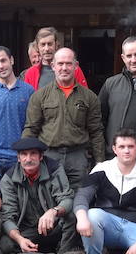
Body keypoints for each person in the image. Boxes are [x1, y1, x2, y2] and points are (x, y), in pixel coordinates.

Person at [22, 47, 104, 190]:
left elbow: (96, 132)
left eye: (68, 63)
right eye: (60, 64)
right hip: (49, 155)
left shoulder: (90, 97)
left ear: (76, 66)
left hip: (78, 157)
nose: (64, 68)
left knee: (78, 200)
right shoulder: (40, 96)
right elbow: (31, 129)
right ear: (53, 66)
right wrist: (26, 158)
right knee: (49, 198)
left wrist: (100, 162)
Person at [0, 136, 75, 254]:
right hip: (27, 230)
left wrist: (53, 211)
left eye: (33, 154)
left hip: (53, 225)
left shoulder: (54, 169)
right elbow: (8, 217)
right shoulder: (9, 179)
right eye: (24, 154)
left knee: (72, 216)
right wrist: (20, 239)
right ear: (18, 158)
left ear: (41, 156)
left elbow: (67, 199)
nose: (28, 159)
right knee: (5, 245)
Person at [98, 35, 136, 158]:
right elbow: (99, 120)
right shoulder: (110, 84)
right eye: (129, 56)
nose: (133, 60)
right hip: (115, 155)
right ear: (123, 58)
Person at [22, 27, 88, 90]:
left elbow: (84, 96)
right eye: (43, 44)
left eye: (50, 44)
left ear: (56, 45)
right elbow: (27, 99)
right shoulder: (30, 73)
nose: (46, 49)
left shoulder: (73, 68)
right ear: (37, 47)